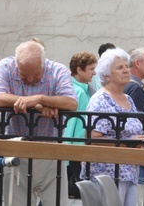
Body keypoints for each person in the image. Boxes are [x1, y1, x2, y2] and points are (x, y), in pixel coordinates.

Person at [0, 40, 77, 206]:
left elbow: (71, 102)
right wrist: (35, 105)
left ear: (44, 63)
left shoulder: (58, 70)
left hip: (50, 150)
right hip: (16, 149)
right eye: (23, 74)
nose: (29, 79)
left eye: (36, 74)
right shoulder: (5, 66)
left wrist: (40, 98)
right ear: (16, 64)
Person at [82, 48, 144, 206]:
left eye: (126, 66)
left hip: (129, 172)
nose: (126, 70)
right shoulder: (100, 101)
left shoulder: (129, 99)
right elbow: (93, 139)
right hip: (107, 174)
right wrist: (126, 142)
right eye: (119, 67)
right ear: (106, 75)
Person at [63, 51, 96, 199]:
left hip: (76, 149)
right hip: (76, 150)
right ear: (79, 70)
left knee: (60, 189)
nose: (94, 73)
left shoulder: (82, 89)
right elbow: (71, 124)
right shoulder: (78, 92)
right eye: (91, 69)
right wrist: (68, 152)